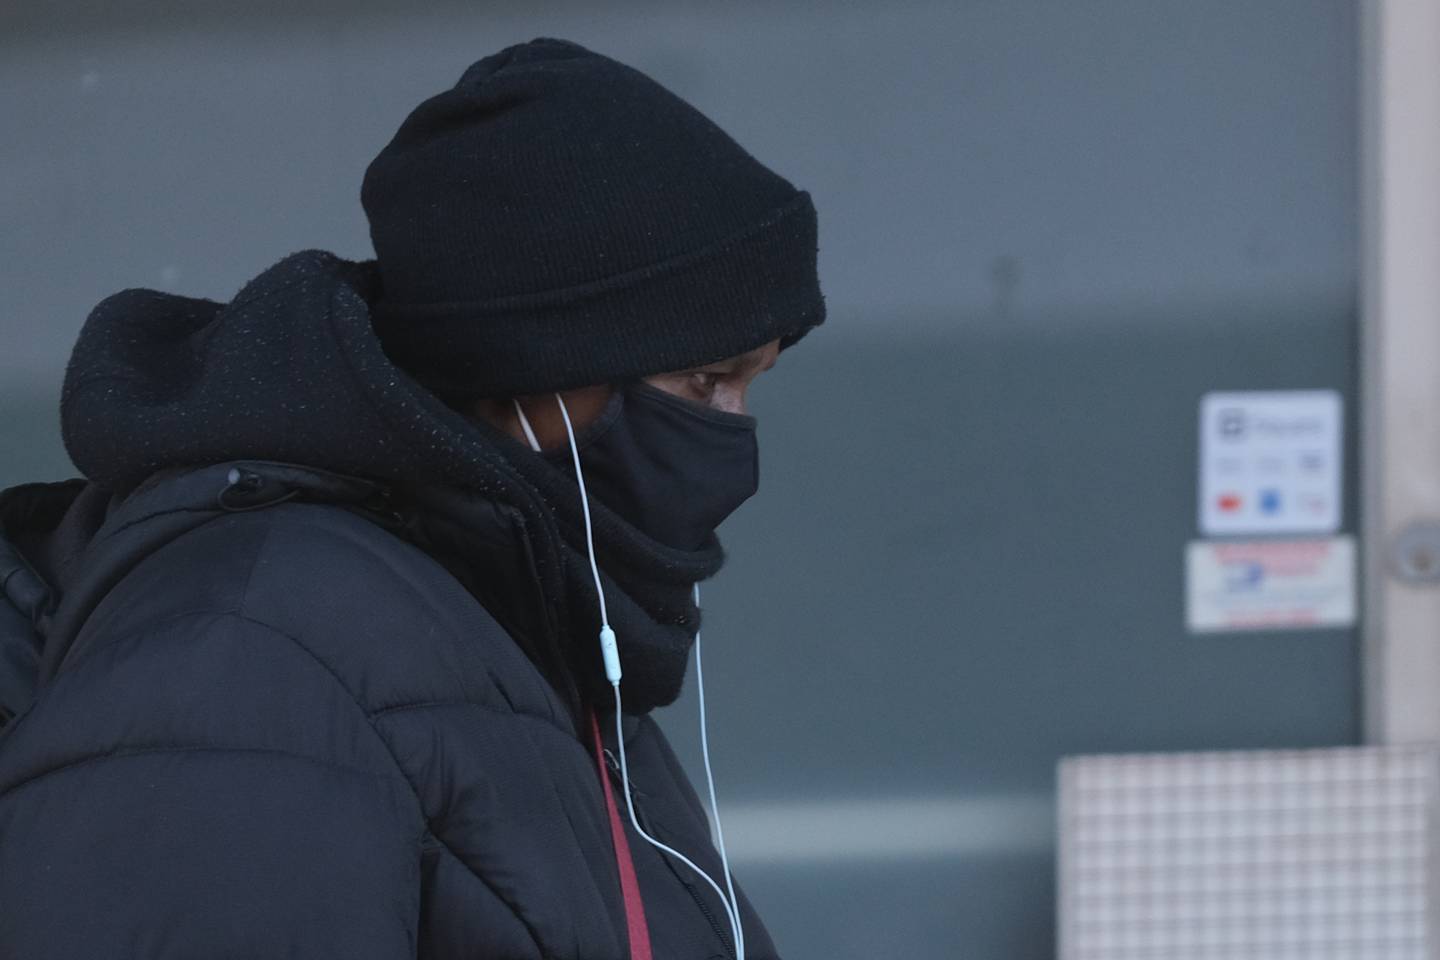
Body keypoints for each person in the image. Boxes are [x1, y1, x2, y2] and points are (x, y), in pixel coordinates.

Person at [0, 38, 823, 959]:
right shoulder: (249, 656)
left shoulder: (524, 617)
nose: (734, 430)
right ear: (535, 370)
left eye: (754, 381)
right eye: (705, 379)